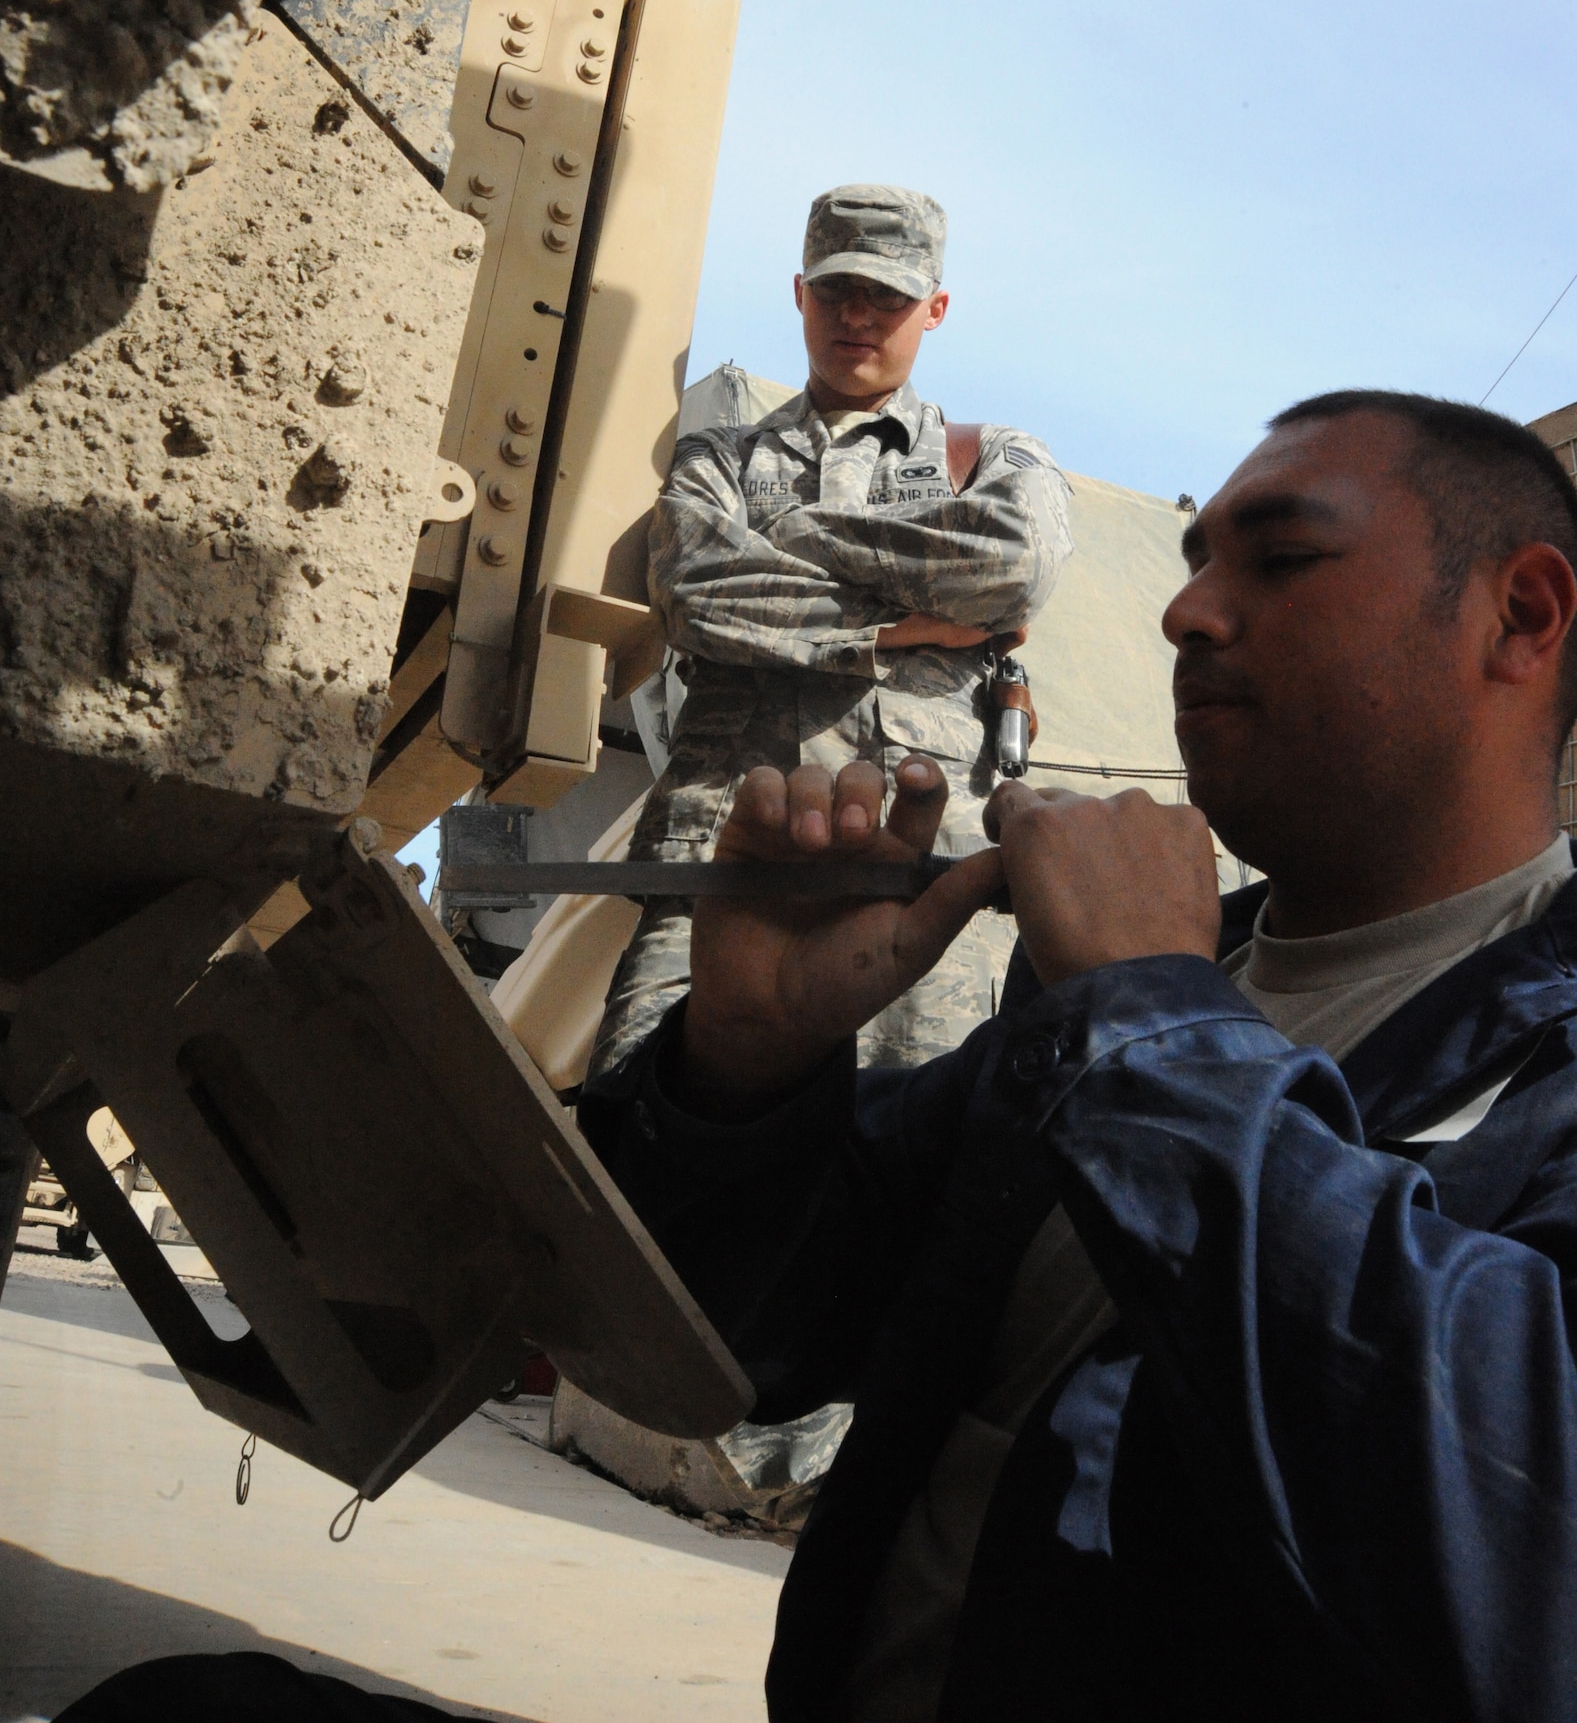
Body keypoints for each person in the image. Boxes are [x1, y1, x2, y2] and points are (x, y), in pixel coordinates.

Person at [579, 390, 1577, 1721]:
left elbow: (1520, 1567)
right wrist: (745, 1075)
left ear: (1520, 616)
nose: (1188, 614)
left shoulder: (1156, 1005)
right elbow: (740, 1347)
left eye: (1280, 559)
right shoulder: (1121, 991)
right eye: (1196, 564)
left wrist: (1154, 1027)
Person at [590, 183, 1073, 1077]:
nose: (858, 315)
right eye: (836, 289)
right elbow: (696, 590)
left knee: (903, 1162)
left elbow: (1018, 565)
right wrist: (904, 630)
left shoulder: (996, 455)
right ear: (799, 292)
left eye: (887, 296)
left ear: (934, 308)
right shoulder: (719, 458)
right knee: (648, 1126)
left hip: (922, 877)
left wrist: (797, 539)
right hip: (726, 861)